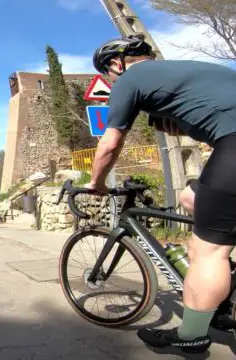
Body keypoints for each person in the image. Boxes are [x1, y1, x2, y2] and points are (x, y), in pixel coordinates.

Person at [89, 35, 236, 353]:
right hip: (229, 144)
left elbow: (110, 143)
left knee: (207, 253)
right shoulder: (188, 72)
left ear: (117, 64)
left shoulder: (131, 78)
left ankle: (192, 335)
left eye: (108, 76)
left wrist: (96, 183)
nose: (112, 81)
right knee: (190, 198)